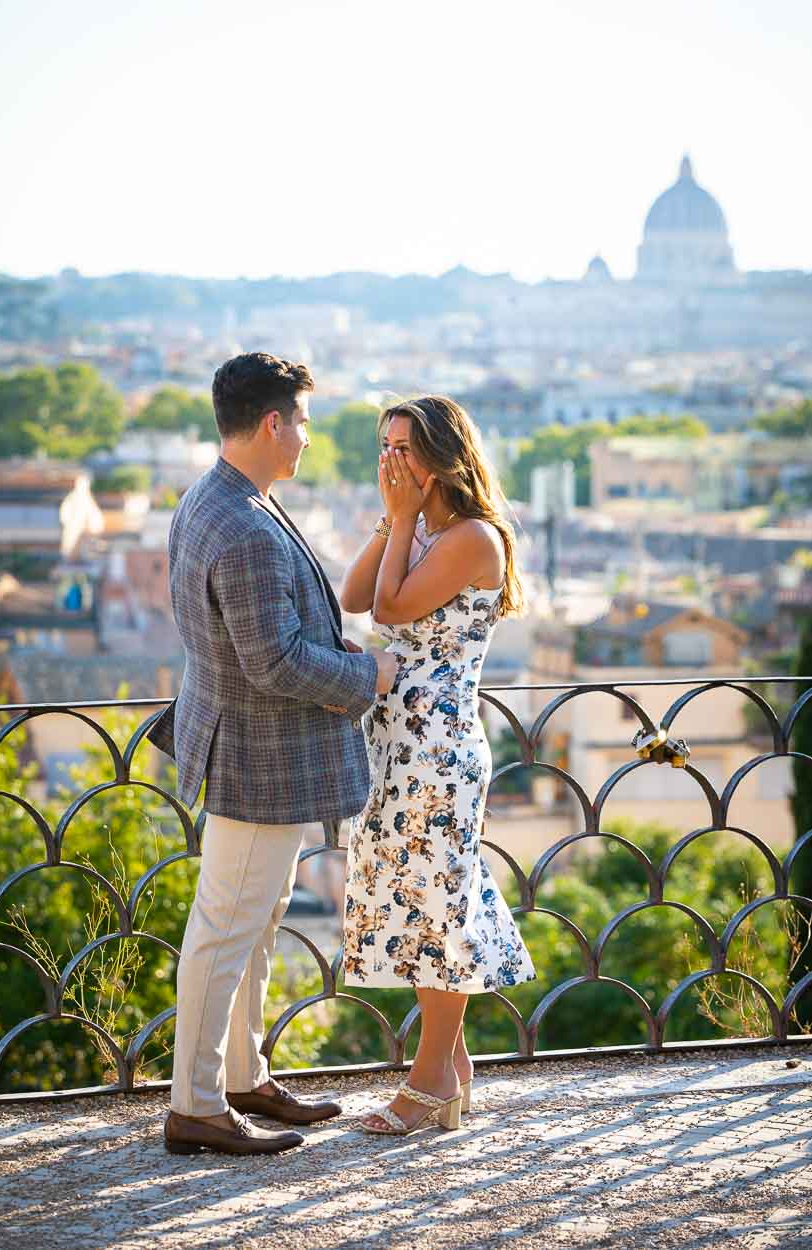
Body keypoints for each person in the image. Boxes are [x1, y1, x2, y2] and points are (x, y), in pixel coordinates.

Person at [149, 352, 398, 1155]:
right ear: (270, 423)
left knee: (251, 924)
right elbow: (275, 661)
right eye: (302, 421)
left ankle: (240, 1077)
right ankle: (195, 1104)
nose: (307, 437)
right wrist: (367, 673)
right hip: (258, 757)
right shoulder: (247, 524)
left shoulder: (214, 497)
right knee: (227, 928)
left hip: (240, 743)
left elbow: (249, 638)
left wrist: (333, 643)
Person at [340, 396, 536, 1136]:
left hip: (439, 745)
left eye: (403, 449)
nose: (390, 461)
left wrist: (399, 524)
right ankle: (449, 1078)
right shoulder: (414, 528)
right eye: (383, 447)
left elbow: (388, 613)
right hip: (395, 741)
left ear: (441, 455)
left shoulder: (473, 537)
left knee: (440, 904)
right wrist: (394, 519)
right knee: (415, 901)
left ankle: (427, 1086)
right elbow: (356, 596)